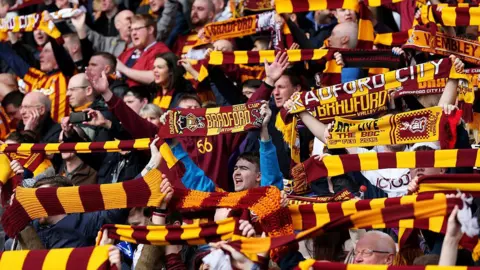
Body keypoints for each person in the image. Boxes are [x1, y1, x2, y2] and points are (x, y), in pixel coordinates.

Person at [116, 14, 171, 86]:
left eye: (137, 29)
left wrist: (124, 69)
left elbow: (157, 77)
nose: (133, 33)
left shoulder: (161, 50)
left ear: (150, 30)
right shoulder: (127, 52)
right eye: (131, 30)